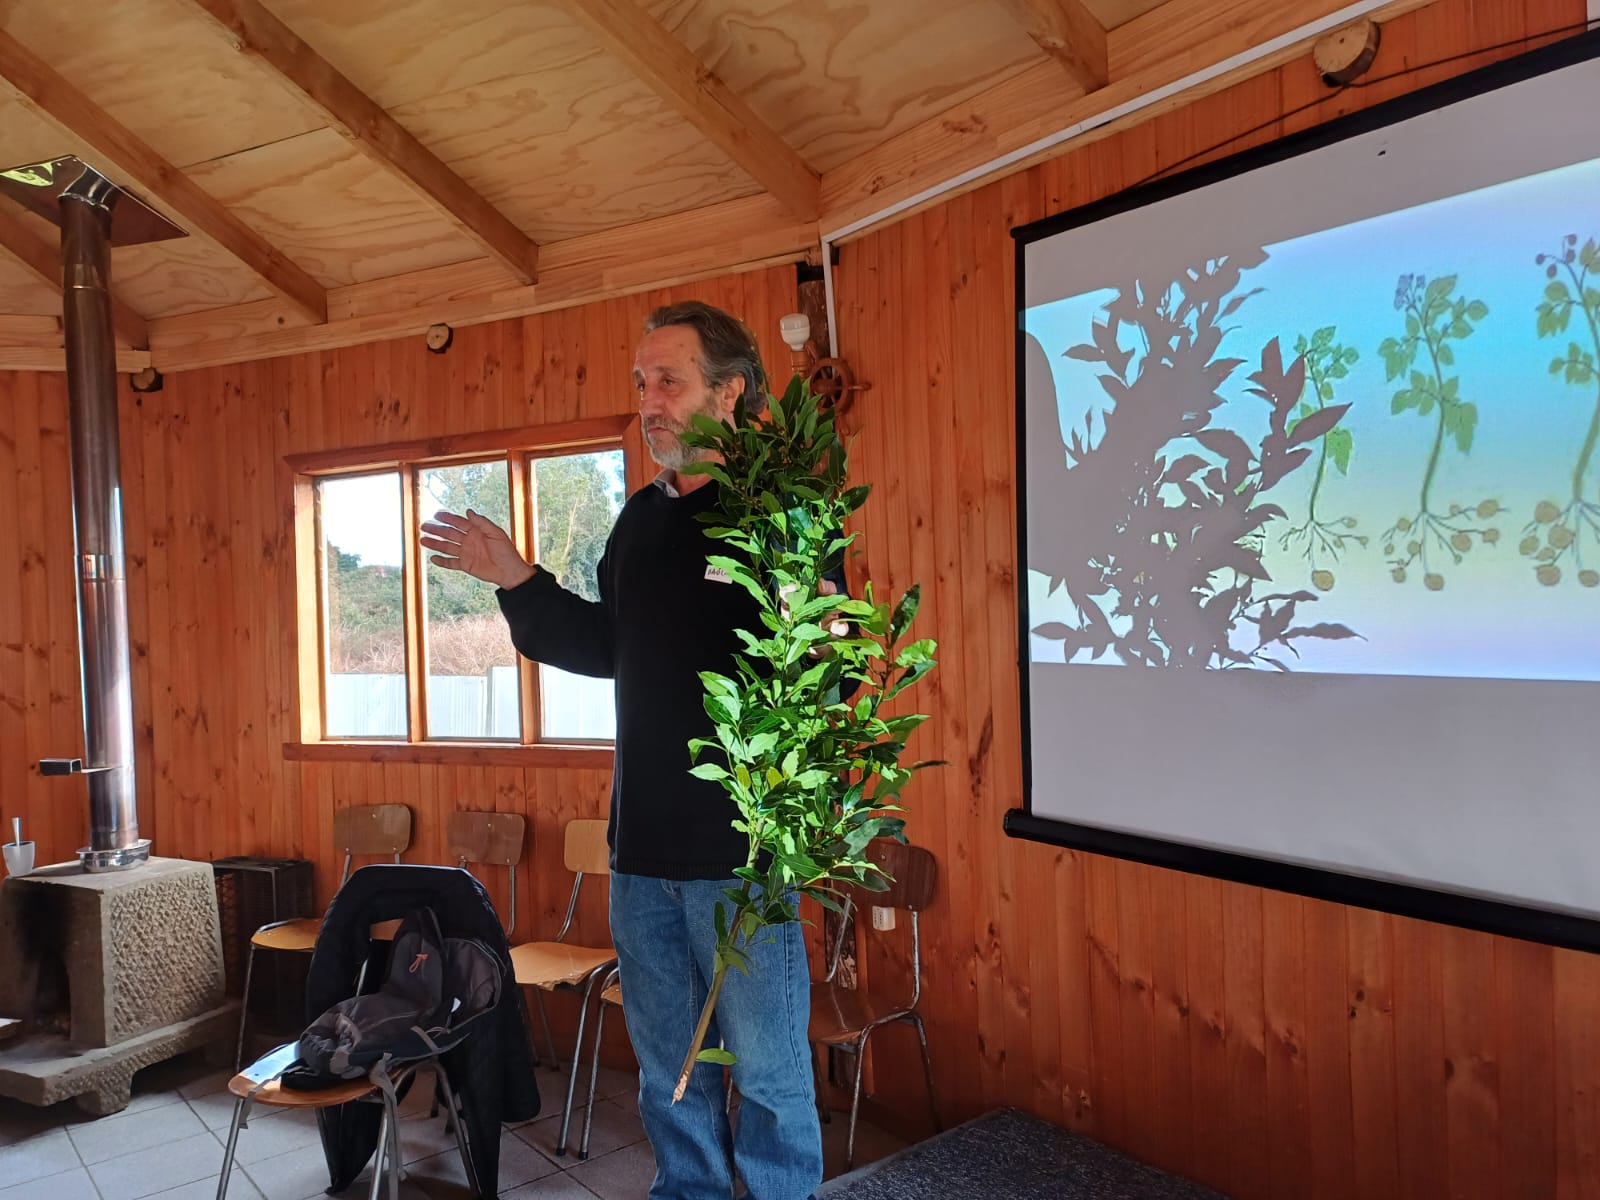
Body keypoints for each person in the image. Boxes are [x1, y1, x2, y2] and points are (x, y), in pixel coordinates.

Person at [420, 301, 823, 1200]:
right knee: (669, 1076)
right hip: (639, 855)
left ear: (730, 393)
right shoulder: (637, 521)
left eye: (670, 381)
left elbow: (821, 672)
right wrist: (518, 579)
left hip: (743, 859)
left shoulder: (780, 513)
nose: (650, 402)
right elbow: (609, 648)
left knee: (766, 1074)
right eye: (642, 384)